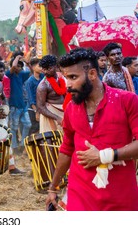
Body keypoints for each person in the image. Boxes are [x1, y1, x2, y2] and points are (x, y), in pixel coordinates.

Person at [46, 48, 138, 211]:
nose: (68, 85)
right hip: (80, 194)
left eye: (73, 77)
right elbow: (67, 149)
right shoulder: (71, 109)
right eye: (66, 77)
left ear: (92, 74)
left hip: (120, 195)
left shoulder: (127, 101)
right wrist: (53, 187)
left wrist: (105, 156)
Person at [0, 60, 25, 175]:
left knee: (6, 141)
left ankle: (12, 167)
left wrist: (5, 110)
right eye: (1, 71)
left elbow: (3, 98)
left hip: (1, 118)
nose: (4, 73)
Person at [5, 53, 32, 155]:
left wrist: (27, 62)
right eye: (17, 66)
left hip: (22, 105)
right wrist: (16, 57)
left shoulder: (21, 75)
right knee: (14, 128)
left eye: (20, 66)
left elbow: (31, 71)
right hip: (13, 106)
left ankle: (22, 143)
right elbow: (12, 67)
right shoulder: (9, 75)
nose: (19, 67)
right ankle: (15, 146)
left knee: (28, 124)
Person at [36, 55, 65, 133]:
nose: (45, 72)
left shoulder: (62, 77)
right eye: (44, 69)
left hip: (64, 113)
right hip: (51, 116)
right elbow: (40, 107)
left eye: (49, 69)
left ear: (55, 66)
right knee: (53, 141)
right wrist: (57, 118)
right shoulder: (42, 86)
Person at [24, 57, 44, 135]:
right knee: (35, 127)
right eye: (39, 66)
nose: (41, 68)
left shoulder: (43, 77)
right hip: (33, 109)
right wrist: (36, 111)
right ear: (33, 67)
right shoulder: (30, 81)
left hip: (42, 107)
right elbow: (30, 98)